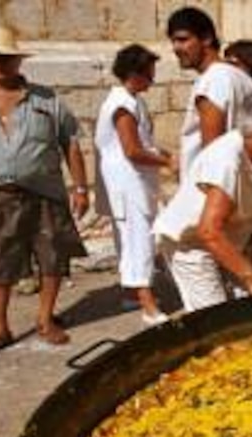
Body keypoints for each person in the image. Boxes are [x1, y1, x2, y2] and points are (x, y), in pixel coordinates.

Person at [0, 26, 89, 359]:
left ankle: (45, 320)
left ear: (18, 60)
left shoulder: (47, 99)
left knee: (52, 258)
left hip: (46, 192)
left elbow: (70, 143)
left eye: (5, 58)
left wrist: (80, 186)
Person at [152, 90, 252, 312]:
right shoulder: (226, 161)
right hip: (192, 244)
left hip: (229, 239)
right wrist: (251, 278)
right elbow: (208, 231)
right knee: (215, 314)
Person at [94, 44, 177, 326]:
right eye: (149, 74)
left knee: (133, 238)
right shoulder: (121, 106)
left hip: (137, 182)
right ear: (134, 74)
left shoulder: (133, 101)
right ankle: (148, 306)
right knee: (137, 241)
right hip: (127, 184)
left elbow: (144, 144)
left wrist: (165, 154)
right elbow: (132, 150)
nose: (152, 80)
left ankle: (132, 292)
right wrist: (165, 163)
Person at [167, 6, 252, 179]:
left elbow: (213, 154)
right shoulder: (240, 77)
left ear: (206, 38)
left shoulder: (213, 80)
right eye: (173, 41)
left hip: (213, 190)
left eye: (183, 39)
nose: (176, 48)